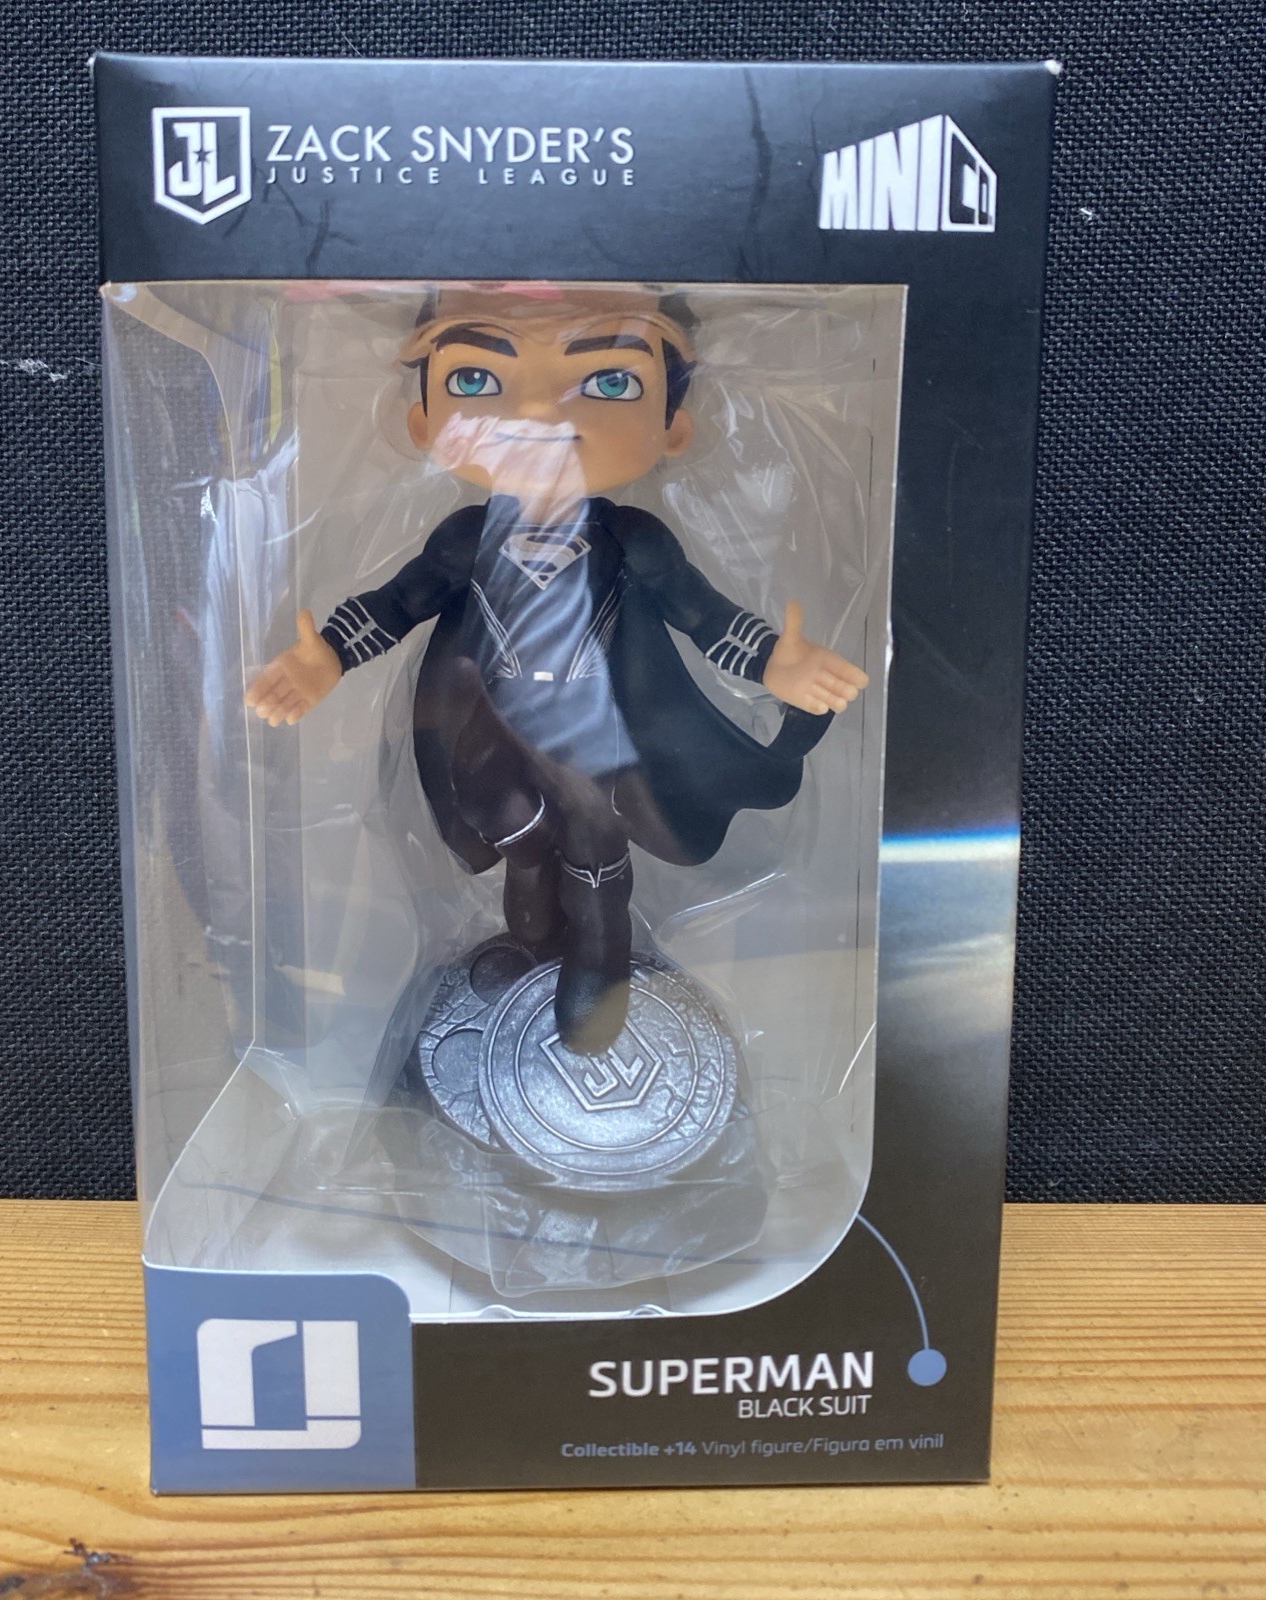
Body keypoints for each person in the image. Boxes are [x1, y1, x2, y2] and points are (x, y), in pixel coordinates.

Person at [246, 286, 867, 1054]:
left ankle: (598, 967)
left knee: (596, 848)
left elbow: (704, 615)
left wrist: (774, 661)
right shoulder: (463, 542)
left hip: (597, 740)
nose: (539, 410)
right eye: (476, 379)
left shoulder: (634, 541)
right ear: (422, 423)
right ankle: (533, 944)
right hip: (487, 734)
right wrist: (331, 655)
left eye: (610, 381)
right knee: (517, 836)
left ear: (673, 427)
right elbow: (398, 602)